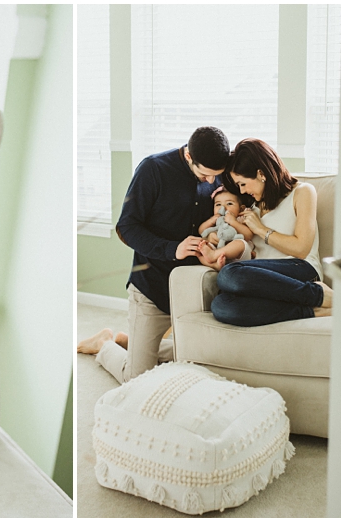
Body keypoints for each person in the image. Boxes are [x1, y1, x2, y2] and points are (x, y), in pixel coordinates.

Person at [77, 126, 228, 383]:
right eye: (205, 175)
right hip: (151, 288)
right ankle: (105, 344)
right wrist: (173, 249)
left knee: (200, 362)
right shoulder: (153, 169)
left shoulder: (215, 174)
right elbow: (126, 227)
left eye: (217, 176)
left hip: (192, 293)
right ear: (189, 156)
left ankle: (132, 343)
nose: (212, 182)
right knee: (136, 378)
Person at [210, 138, 332, 326]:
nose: (242, 190)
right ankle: (311, 310)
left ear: (260, 174)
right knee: (222, 305)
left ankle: (318, 294)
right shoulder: (251, 208)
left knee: (229, 274)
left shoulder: (302, 192)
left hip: (301, 268)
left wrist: (261, 229)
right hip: (268, 281)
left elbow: (301, 248)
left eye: (243, 183)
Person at [196, 186, 255, 269]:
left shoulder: (241, 218)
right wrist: (211, 221)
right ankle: (215, 265)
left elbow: (248, 236)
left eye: (229, 203)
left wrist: (233, 222)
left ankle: (214, 255)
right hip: (217, 252)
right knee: (200, 247)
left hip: (239, 256)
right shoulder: (216, 220)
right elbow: (201, 231)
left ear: (241, 208)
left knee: (240, 243)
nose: (223, 208)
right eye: (218, 204)